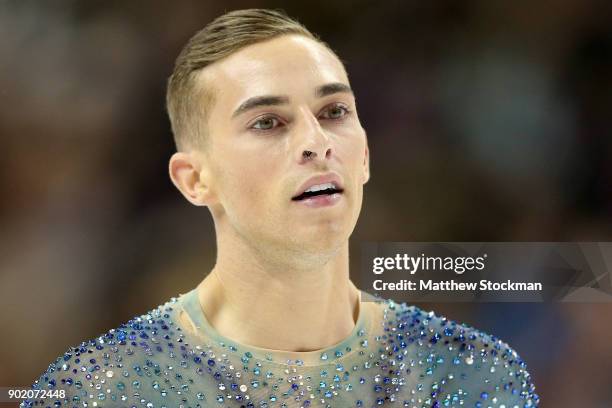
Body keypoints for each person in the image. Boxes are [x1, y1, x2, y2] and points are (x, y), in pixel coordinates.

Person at [23, 9, 538, 408]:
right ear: (195, 179)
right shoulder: (101, 389)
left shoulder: (475, 375)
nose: (317, 142)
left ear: (365, 156)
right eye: (268, 122)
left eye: (334, 112)